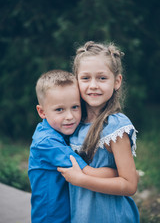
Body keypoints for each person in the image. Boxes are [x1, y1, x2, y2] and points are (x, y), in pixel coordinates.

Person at [58, 41, 140, 223]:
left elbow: (129, 184)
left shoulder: (115, 127)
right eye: (86, 78)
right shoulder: (73, 124)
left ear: (116, 81)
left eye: (102, 78)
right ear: (76, 81)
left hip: (111, 216)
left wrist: (81, 180)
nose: (93, 85)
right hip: (81, 216)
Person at [28, 69, 117, 223]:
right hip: (51, 218)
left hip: (70, 214)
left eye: (75, 107)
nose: (69, 116)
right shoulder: (46, 142)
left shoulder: (64, 131)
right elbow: (86, 171)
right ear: (42, 112)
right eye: (59, 109)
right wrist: (120, 173)